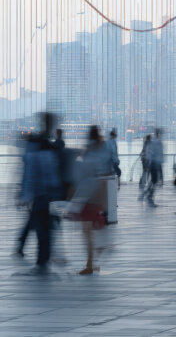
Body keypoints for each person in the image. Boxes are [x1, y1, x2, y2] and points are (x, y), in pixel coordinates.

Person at [17, 113, 61, 275]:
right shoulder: (48, 148)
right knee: (45, 227)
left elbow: (30, 175)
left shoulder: (36, 148)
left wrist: (25, 195)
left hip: (39, 195)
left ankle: (42, 260)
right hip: (47, 194)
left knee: (41, 227)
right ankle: (43, 259)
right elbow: (52, 174)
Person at [67, 126, 113, 275]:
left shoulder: (87, 152)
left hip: (86, 196)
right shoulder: (101, 152)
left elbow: (78, 176)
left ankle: (90, 263)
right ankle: (94, 258)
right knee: (91, 230)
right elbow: (103, 176)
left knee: (87, 232)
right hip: (96, 195)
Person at [142, 129, 164, 206]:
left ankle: (148, 193)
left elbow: (150, 153)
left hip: (154, 164)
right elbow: (153, 153)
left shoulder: (155, 142)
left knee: (154, 180)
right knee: (154, 181)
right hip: (155, 164)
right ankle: (149, 195)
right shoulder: (157, 142)